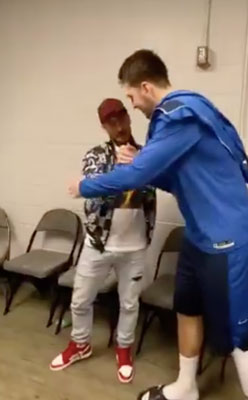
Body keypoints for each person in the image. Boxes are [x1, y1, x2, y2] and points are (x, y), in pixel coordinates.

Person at [68, 49, 248, 400]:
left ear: (145, 87)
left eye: (131, 97)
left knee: (238, 337)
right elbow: (177, 180)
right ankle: (186, 387)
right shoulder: (177, 118)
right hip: (199, 237)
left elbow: (138, 175)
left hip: (228, 241)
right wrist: (143, 166)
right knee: (187, 308)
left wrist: (83, 186)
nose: (134, 107)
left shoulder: (181, 115)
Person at [51, 98, 156, 384]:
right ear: (104, 127)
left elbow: (151, 189)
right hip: (97, 244)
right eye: (112, 122)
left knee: (130, 304)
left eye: (122, 118)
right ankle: (80, 344)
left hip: (134, 247)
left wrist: (138, 167)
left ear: (129, 119)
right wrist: (125, 175)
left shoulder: (147, 155)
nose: (119, 126)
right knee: (80, 300)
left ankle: (124, 349)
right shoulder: (95, 155)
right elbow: (94, 196)